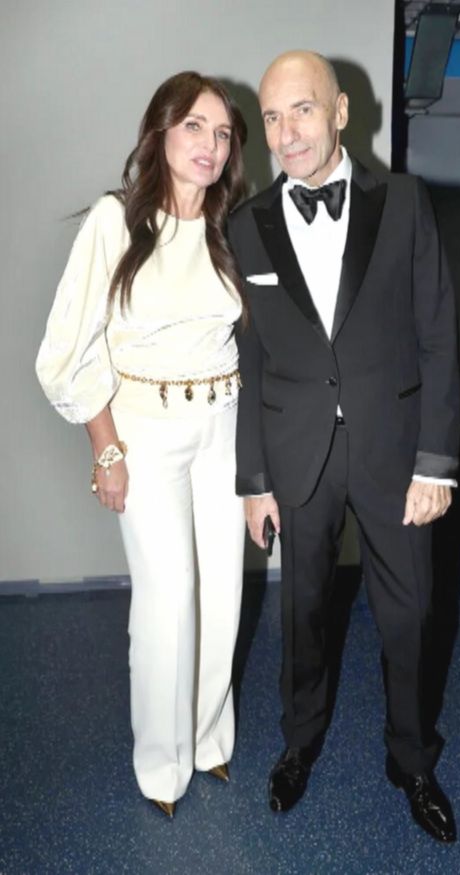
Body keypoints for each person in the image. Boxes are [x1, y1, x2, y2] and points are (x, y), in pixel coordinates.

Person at [228, 51, 460, 843]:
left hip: (395, 449)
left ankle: (412, 758)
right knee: (302, 611)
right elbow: (251, 359)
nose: (285, 132)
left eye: (301, 109)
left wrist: (435, 462)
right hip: (296, 452)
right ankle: (299, 744)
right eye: (270, 117)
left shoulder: (405, 202)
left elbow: (438, 335)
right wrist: (253, 478)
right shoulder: (246, 224)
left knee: (411, 611)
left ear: (340, 113)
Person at [36, 71, 248, 818]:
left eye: (222, 133)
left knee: (222, 591)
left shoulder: (227, 228)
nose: (210, 145)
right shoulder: (115, 221)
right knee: (167, 600)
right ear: (160, 131)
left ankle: (208, 735)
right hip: (146, 432)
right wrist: (107, 449)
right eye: (194, 126)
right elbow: (68, 349)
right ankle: (162, 763)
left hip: (223, 426)